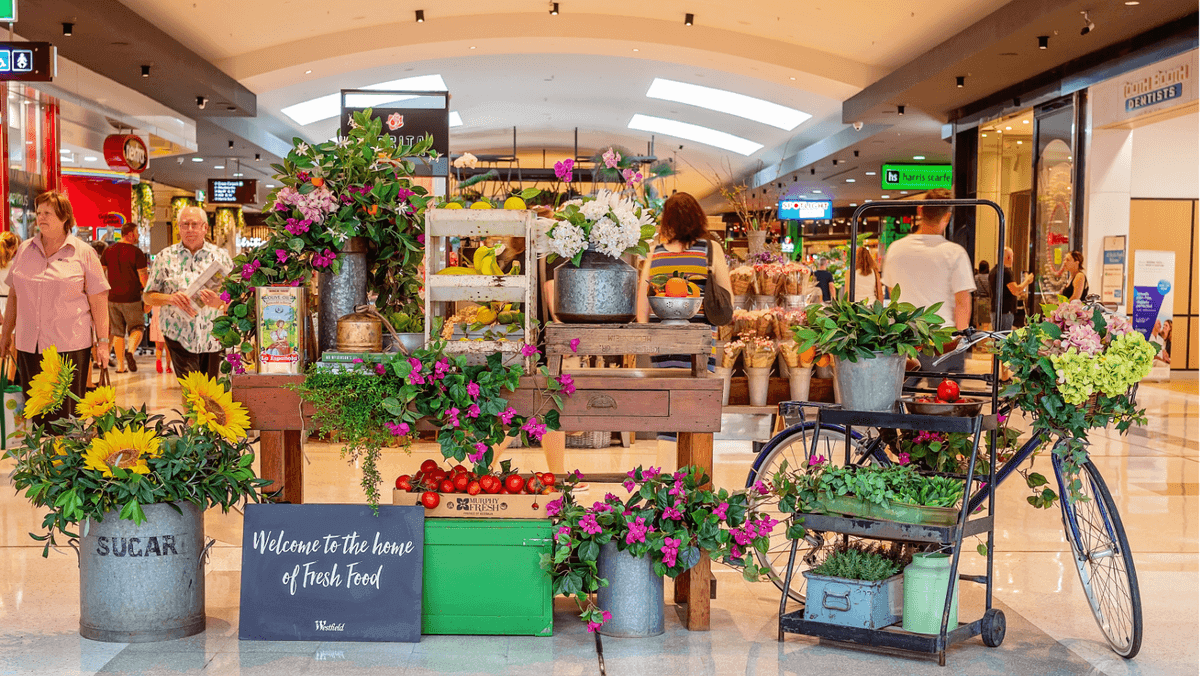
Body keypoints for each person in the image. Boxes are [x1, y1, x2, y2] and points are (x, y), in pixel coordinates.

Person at [0, 191, 110, 423]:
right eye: (39, 213)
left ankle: (63, 458)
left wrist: (103, 343)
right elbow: (14, 297)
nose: (41, 218)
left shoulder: (83, 253)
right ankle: (38, 458)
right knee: (35, 416)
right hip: (30, 346)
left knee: (66, 418)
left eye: (48, 213)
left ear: (64, 217)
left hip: (68, 347)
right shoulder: (24, 250)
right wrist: (5, 335)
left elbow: (99, 302)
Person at [880, 188, 974, 372]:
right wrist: (959, 345)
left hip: (906, 341)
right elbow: (962, 303)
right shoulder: (955, 254)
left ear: (920, 210)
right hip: (943, 340)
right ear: (947, 217)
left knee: (901, 396)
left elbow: (894, 297)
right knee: (944, 398)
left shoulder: (895, 250)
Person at [143, 207, 232, 380]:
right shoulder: (164, 257)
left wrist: (220, 302)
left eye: (194, 224)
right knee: (191, 390)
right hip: (178, 333)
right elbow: (148, 296)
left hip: (213, 334)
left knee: (210, 390)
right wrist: (170, 298)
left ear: (205, 228)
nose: (189, 229)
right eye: (185, 225)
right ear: (178, 228)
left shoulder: (221, 257)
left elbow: (236, 296)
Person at [636, 192, 734, 328]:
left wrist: (644, 337)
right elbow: (727, 297)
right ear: (697, 217)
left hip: (659, 336)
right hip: (701, 337)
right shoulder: (710, 249)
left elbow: (642, 304)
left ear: (667, 221)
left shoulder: (655, 252)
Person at [101, 222, 149, 373]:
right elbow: (143, 277)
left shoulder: (108, 251)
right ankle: (130, 351)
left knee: (117, 332)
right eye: (137, 233)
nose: (138, 236)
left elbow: (101, 273)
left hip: (112, 298)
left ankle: (121, 367)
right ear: (129, 234)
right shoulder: (136, 252)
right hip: (132, 298)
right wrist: (148, 297)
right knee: (137, 327)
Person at [989, 248, 1033, 331]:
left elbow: (1004, 291)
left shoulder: (993, 271)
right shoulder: (1006, 272)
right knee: (1004, 338)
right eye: (1012, 257)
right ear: (1008, 257)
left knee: (997, 336)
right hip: (1005, 311)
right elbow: (1016, 290)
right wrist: (1027, 280)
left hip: (995, 310)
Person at [149, 305, 172, 373]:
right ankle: (168, 366)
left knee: (158, 347)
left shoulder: (154, 297)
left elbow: (147, 308)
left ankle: (158, 362)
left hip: (156, 321)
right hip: (167, 321)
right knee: (168, 348)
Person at [973, 260, 991, 329]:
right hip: (987, 300)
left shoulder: (976, 277)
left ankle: (978, 336)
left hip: (978, 300)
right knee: (986, 323)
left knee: (977, 320)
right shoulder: (989, 277)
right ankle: (985, 337)